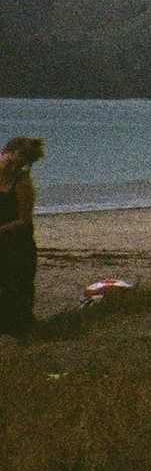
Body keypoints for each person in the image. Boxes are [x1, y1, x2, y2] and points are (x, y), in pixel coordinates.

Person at [0, 136, 43, 340]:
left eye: (19, 163)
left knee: (17, 290)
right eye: (10, 160)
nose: (12, 166)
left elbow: (24, 220)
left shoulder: (22, 181)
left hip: (17, 243)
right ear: (4, 152)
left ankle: (21, 336)